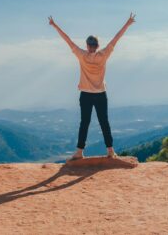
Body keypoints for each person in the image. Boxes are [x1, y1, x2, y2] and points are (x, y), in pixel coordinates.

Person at [48, 13, 136, 160]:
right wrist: (127, 23)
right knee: (104, 122)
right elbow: (116, 38)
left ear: (87, 46)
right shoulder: (104, 55)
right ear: (98, 46)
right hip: (101, 93)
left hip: (86, 95)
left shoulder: (81, 55)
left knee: (84, 123)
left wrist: (55, 25)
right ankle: (110, 151)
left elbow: (67, 40)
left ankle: (79, 152)